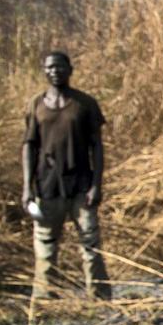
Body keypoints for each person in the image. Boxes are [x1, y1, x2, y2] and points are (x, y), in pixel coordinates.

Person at [22, 51, 111, 300]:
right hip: (47, 186)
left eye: (60, 67)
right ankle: (44, 299)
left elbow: (97, 145)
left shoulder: (85, 104)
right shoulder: (36, 105)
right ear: (44, 71)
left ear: (70, 70)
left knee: (90, 245)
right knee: (45, 246)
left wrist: (96, 184)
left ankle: (100, 298)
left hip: (81, 185)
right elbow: (29, 145)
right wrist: (27, 188)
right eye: (49, 67)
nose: (55, 71)